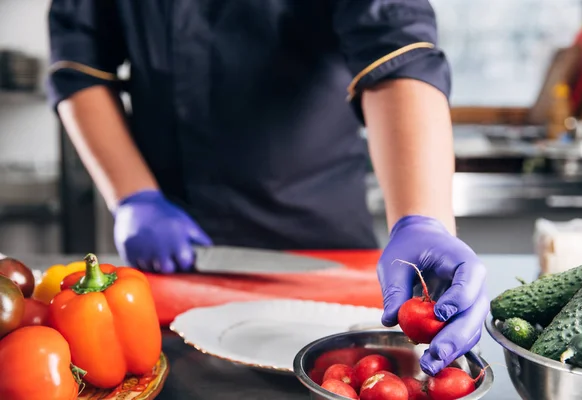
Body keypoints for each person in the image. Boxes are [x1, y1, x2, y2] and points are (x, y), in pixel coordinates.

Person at [47, 0, 488, 375]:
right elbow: (78, 65)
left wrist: (422, 217)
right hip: (168, 250)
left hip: (323, 239)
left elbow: (397, 49)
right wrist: (132, 194)